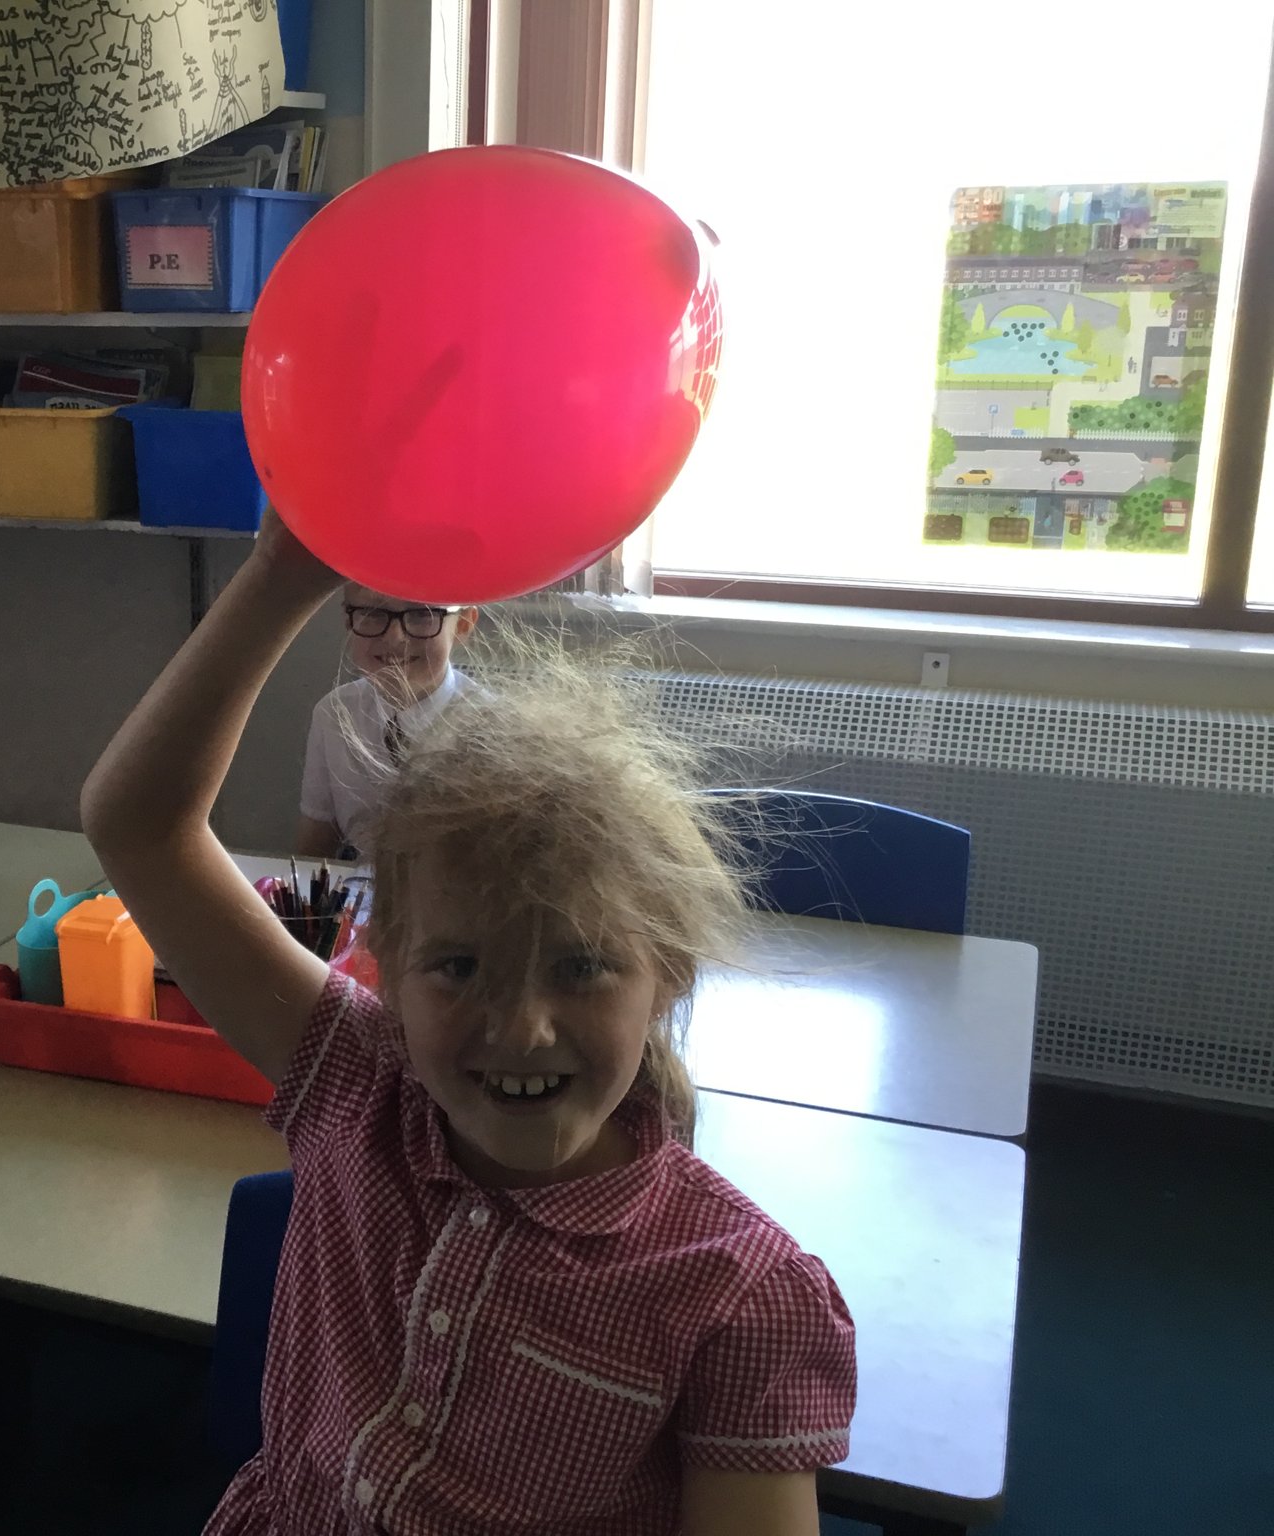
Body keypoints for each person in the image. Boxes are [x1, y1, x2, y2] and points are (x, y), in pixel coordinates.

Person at [82, 516, 856, 1535]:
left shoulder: (738, 1298)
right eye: (456, 967)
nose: (521, 1030)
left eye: (579, 966)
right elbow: (135, 823)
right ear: (388, 968)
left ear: (666, 974)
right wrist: (281, 573)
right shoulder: (357, 1084)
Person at [297, 584, 479, 861]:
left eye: (422, 614)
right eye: (372, 613)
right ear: (349, 620)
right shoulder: (334, 714)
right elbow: (316, 843)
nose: (395, 636)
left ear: (463, 623)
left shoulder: (492, 729)